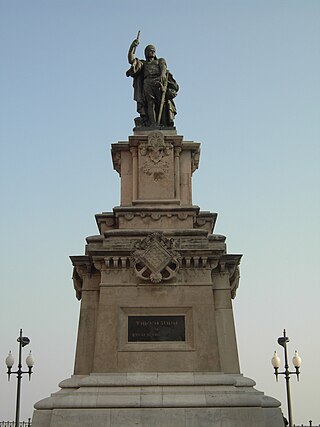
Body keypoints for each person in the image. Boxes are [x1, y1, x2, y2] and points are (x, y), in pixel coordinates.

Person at [126, 38, 179, 128]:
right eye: (150, 51)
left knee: (162, 103)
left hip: (159, 82)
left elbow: (163, 69)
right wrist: (132, 47)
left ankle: (163, 123)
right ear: (146, 53)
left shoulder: (160, 61)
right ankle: (153, 124)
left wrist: (162, 77)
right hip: (147, 83)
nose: (152, 52)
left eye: (153, 51)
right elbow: (131, 60)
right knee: (150, 104)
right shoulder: (143, 63)